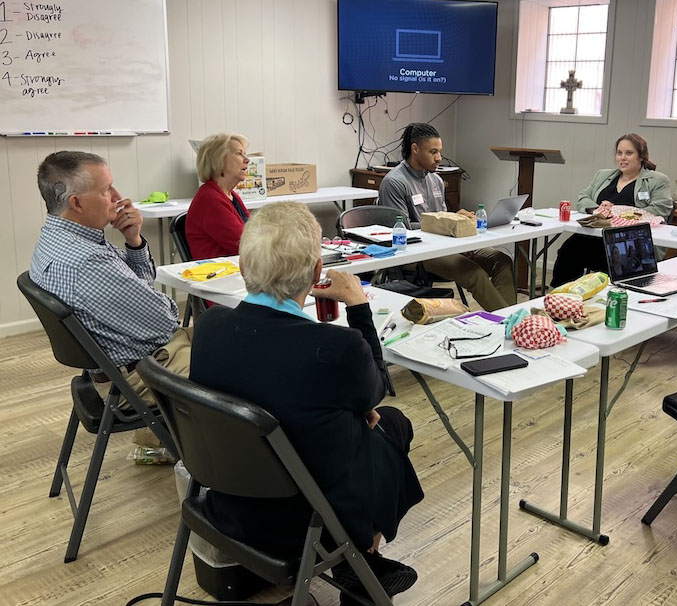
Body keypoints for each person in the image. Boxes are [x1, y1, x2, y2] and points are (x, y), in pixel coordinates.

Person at [190, 202, 423, 604]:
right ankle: (360, 559)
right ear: (317, 273)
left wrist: (351, 409)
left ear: (244, 268)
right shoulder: (335, 347)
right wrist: (359, 305)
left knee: (364, 420)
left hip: (225, 501)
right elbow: (376, 386)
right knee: (393, 422)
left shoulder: (209, 327)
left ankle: (359, 561)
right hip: (304, 519)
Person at [30, 151, 192, 404]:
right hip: (143, 377)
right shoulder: (86, 262)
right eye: (106, 190)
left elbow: (143, 291)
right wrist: (160, 301)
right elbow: (165, 322)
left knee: (229, 338)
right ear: (77, 203)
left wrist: (134, 241)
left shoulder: (62, 239)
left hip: (129, 364)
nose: (118, 197)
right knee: (254, 366)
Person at [377, 122, 516, 311]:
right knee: (474, 273)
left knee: (502, 260)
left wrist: (458, 224)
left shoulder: (436, 180)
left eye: (440, 152)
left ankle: (510, 316)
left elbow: (441, 217)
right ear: (415, 149)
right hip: (417, 253)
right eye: (433, 152)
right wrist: (448, 224)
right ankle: (507, 323)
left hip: (446, 245)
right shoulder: (394, 182)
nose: (439, 158)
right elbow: (403, 230)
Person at [550, 133, 672, 287]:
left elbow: (660, 208)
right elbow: (583, 198)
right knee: (568, 251)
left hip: (630, 241)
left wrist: (617, 211)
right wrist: (598, 209)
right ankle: (563, 297)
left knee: (613, 261)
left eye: (629, 153)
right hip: (595, 235)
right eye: (619, 153)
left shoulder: (657, 180)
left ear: (641, 156)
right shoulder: (603, 175)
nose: (622, 158)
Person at [186, 132, 252, 259]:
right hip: (219, 275)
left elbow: (252, 233)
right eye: (239, 153)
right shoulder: (210, 200)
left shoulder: (230, 195)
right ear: (219, 160)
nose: (247, 159)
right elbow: (246, 245)